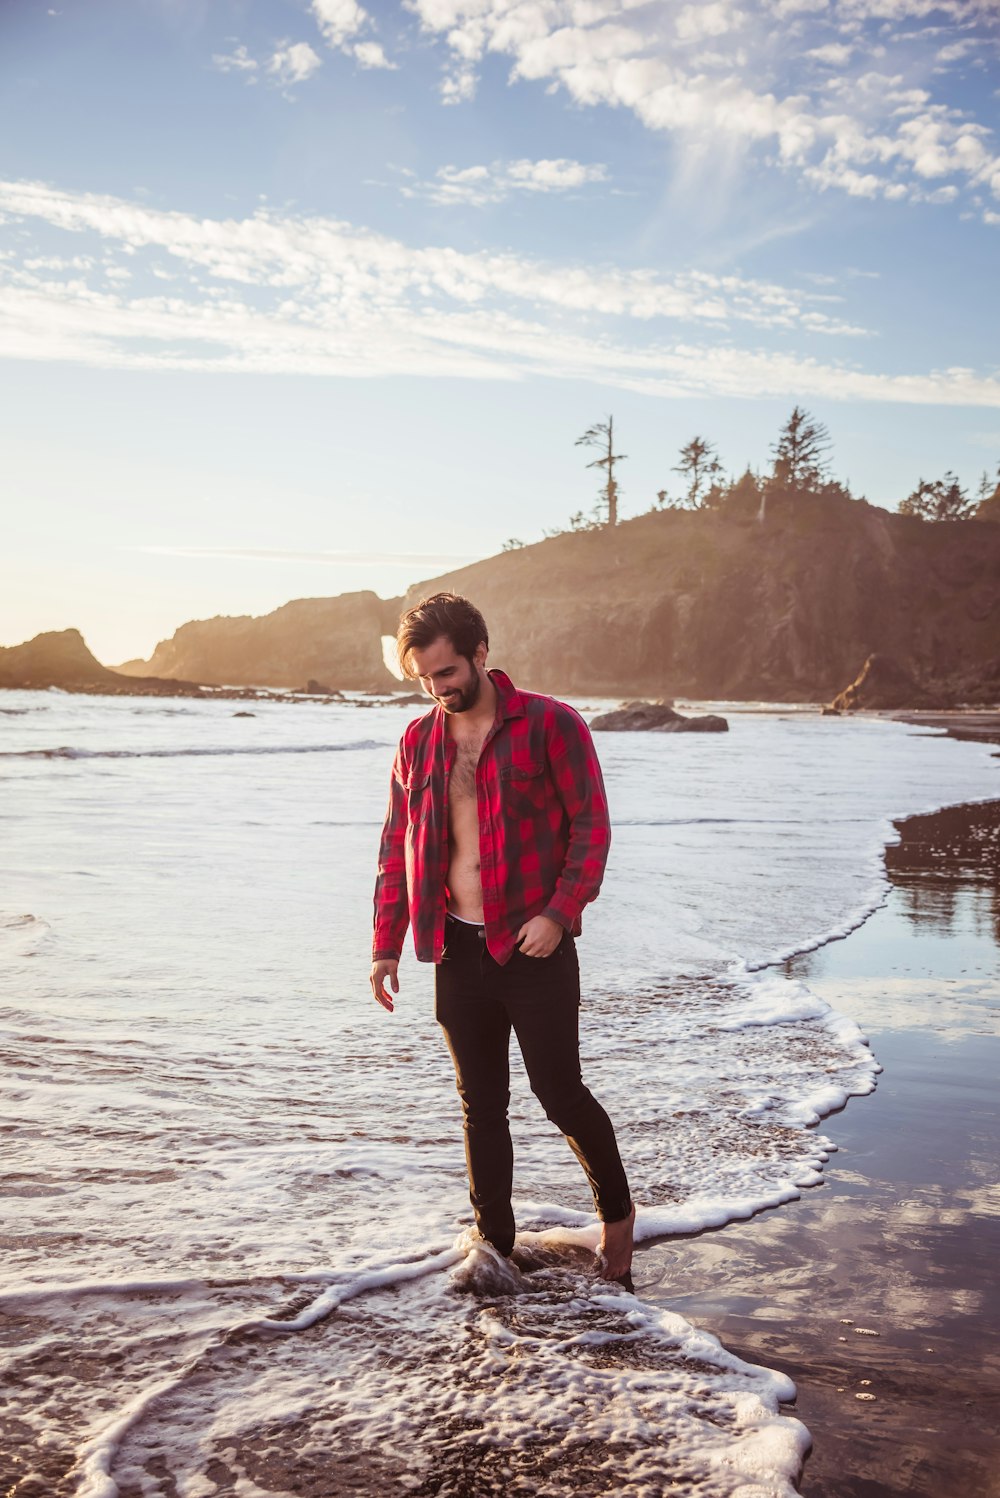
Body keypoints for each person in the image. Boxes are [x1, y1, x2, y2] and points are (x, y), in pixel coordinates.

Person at [369, 592, 634, 1287]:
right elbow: (397, 848)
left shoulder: (551, 725)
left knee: (560, 1092)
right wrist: (385, 944)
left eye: (447, 672)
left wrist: (560, 911)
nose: (437, 688)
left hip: (534, 946)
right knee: (479, 1105)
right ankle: (492, 1249)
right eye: (424, 677)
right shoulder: (416, 742)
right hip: (455, 947)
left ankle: (620, 1230)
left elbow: (592, 828)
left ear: (481, 655)